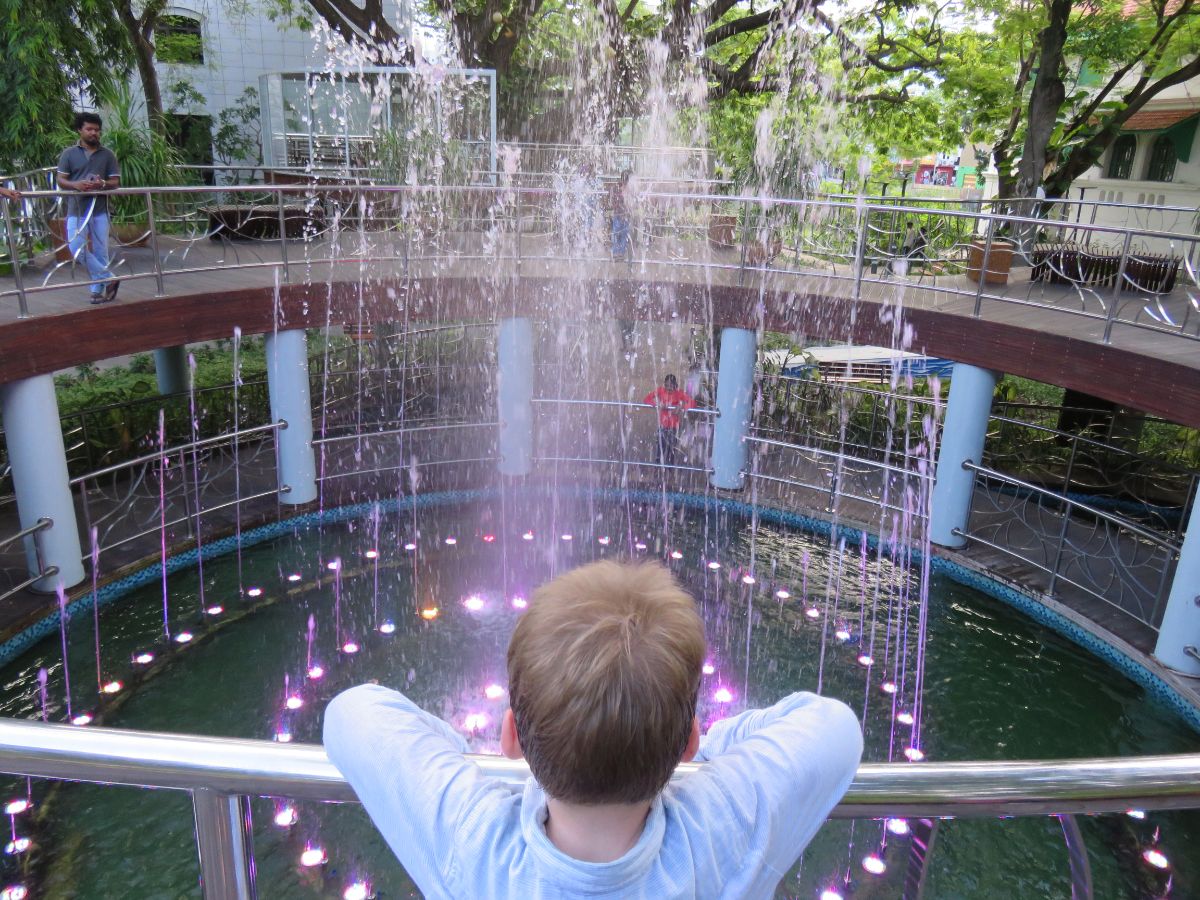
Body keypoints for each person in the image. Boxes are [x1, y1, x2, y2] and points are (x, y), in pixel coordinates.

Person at [324, 560, 862, 900]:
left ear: (510, 737)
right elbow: (833, 725)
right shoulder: (722, 825)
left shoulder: (473, 844)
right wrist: (715, 754)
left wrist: (461, 755)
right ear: (689, 744)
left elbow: (353, 712)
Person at [57, 112, 121, 304]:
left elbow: (115, 182)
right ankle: (109, 277)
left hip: (100, 209)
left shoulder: (107, 155)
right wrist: (75, 185)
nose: (94, 133)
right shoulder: (68, 154)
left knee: (101, 250)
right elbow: (61, 180)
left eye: (96, 130)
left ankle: (97, 290)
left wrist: (102, 184)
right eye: (89, 129)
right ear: (80, 130)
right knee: (76, 247)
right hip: (76, 209)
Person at [643, 373, 694, 466]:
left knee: (671, 451)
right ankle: (657, 470)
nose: (669, 388)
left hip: (674, 427)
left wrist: (682, 407)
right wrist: (658, 404)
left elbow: (692, 403)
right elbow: (646, 399)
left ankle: (669, 471)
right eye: (667, 386)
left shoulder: (679, 393)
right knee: (660, 449)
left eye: (671, 386)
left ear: (675, 385)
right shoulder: (661, 391)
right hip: (662, 426)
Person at [610, 169, 632, 261]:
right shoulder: (618, 188)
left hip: (622, 214)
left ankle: (619, 253)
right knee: (619, 234)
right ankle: (617, 253)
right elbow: (614, 201)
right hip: (620, 214)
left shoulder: (620, 187)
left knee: (621, 234)